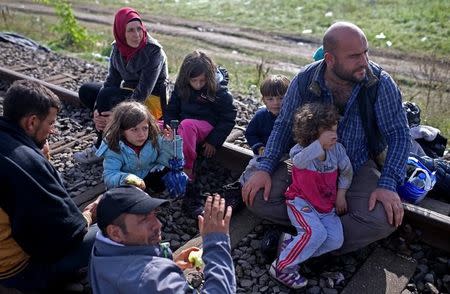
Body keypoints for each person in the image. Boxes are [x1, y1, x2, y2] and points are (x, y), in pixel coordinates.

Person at [242, 21, 410, 254]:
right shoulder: (305, 80)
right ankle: (316, 238)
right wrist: (265, 167)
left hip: (356, 165)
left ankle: (298, 243)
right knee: (256, 195)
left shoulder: (379, 83)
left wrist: (388, 184)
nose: (364, 61)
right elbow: (282, 125)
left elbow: (399, 135)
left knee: (384, 218)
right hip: (309, 164)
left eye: (365, 52)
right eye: (354, 56)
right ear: (330, 59)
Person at [0, 80, 99, 291]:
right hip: (13, 272)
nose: (53, 131)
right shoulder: (23, 162)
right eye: (51, 123)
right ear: (31, 122)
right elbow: (65, 232)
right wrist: (90, 214)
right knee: (106, 232)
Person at [89, 186, 236, 293]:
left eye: (154, 214)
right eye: (144, 219)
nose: (158, 224)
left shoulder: (101, 246)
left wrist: (170, 265)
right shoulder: (150, 277)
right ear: (115, 233)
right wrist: (216, 242)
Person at [269, 103, 353, 289]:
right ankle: (282, 267)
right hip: (301, 202)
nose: (335, 135)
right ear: (313, 132)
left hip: (325, 206)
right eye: (328, 131)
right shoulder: (300, 151)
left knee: (335, 240)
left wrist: (341, 195)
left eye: (335, 129)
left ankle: (290, 246)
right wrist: (319, 145)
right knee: (316, 233)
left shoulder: (337, 150)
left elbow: (347, 171)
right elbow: (298, 163)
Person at [74, 7, 169, 164]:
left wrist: (118, 115)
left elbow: (142, 92)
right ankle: (114, 133)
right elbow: (111, 81)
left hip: (151, 101)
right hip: (128, 93)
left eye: (139, 29)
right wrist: (97, 111)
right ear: (120, 32)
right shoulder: (117, 48)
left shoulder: (154, 52)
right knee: (87, 91)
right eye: (130, 30)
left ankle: (100, 148)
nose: (137, 35)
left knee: (107, 96)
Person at [164, 50, 237, 217]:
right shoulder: (181, 87)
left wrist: (213, 141)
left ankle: (187, 167)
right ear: (186, 77)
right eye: (194, 80)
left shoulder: (218, 91)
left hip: (205, 126)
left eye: (202, 81)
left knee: (187, 125)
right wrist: (169, 128)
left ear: (209, 77)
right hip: (183, 127)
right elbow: (171, 110)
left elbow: (228, 117)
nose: (197, 84)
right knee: (155, 125)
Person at [95, 101, 182, 191]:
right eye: (134, 130)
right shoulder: (114, 146)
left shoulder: (154, 138)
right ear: (121, 131)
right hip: (129, 183)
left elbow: (171, 161)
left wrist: (170, 144)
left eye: (145, 128)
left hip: (149, 175)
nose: (141, 135)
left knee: (169, 172)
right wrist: (126, 179)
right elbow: (110, 175)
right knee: (121, 192)